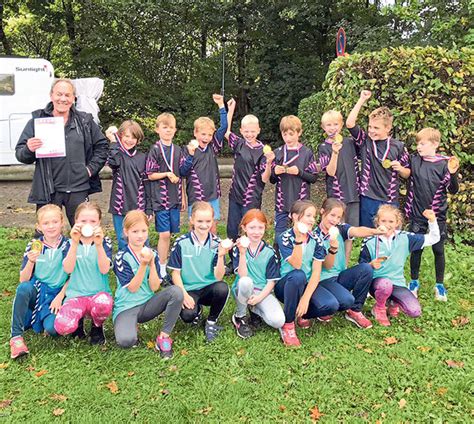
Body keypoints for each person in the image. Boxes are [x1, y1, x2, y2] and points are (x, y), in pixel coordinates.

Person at [15, 79, 108, 226]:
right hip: (49, 190)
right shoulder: (37, 121)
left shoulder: (85, 121)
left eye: (67, 95)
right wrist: (28, 149)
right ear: (51, 95)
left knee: (85, 232)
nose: (63, 99)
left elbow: (102, 147)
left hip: (79, 189)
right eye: (59, 94)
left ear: (73, 98)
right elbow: (20, 154)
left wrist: (90, 170)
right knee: (46, 233)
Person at [275, 200, 354, 347]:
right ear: (295, 216)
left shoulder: (316, 239)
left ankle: (302, 313)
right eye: (308, 216)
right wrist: (298, 240)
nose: (312, 220)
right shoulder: (284, 237)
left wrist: (305, 298)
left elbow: (317, 272)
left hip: (306, 284)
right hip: (286, 286)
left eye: (314, 216)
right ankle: (288, 324)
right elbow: (297, 264)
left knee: (331, 305)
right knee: (298, 275)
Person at [113, 210, 183, 359]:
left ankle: (164, 337)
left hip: (147, 304)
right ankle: (129, 325)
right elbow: (132, 288)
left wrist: (151, 263)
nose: (140, 235)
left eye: (143, 230)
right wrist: (143, 265)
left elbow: (154, 287)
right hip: (127, 306)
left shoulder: (153, 254)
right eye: (135, 231)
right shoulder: (121, 257)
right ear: (126, 232)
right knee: (126, 341)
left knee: (176, 292)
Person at [359, 205, 440, 326]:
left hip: (397, 283)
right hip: (377, 283)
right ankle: (379, 308)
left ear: (397, 222)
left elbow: (434, 238)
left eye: (391, 221)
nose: (387, 224)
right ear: (377, 222)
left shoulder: (405, 238)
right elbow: (361, 269)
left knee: (414, 311)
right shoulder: (370, 241)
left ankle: (392, 302)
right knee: (385, 285)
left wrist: (432, 221)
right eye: (383, 221)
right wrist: (370, 265)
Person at [314, 198, 387, 329]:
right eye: (332, 215)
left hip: (340, 276)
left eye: (338, 217)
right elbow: (325, 266)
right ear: (322, 212)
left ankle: (355, 310)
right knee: (344, 300)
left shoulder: (340, 229)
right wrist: (333, 248)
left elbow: (357, 231)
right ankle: (325, 306)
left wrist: (376, 231)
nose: (335, 220)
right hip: (323, 281)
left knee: (366, 268)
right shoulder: (314, 236)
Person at [405, 128, 460, 301]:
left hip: (438, 216)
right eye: (417, 143)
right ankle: (414, 282)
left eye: (422, 143)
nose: (418, 147)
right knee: (417, 249)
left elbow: (453, 190)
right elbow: (402, 170)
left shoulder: (445, 164)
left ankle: (439, 285)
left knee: (438, 249)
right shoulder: (415, 161)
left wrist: (452, 174)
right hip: (417, 214)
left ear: (435, 144)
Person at [9, 205, 69, 359]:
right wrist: (30, 261)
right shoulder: (35, 245)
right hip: (38, 291)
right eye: (46, 223)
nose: (51, 226)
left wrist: (61, 296)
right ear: (39, 227)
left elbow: (74, 276)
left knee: (54, 329)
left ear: (62, 222)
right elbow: (23, 280)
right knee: (24, 288)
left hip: (57, 294)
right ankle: (16, 338)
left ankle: (41, 321)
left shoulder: (69, 245)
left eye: (55, 222)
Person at [168, 201, 231, 342]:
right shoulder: (181, 243)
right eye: (200, 221)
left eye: (208, 221)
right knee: (188, 316)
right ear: (191, 220)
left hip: (209, 288)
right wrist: (183, 295)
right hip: (189, 289)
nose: (204, 225)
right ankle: (197, 310)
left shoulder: (216, 243)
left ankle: (211, 322)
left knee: (222, 288)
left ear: (213, 220)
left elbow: (218, 277)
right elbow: (175, 274)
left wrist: (221, 255)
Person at [346, 90, 410, 228]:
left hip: (389, 198)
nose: (371, 130)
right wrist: (361, 99)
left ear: (388, 128)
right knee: (368, 234)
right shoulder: (365, 141)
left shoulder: (398, 146)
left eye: (376, 127)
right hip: (367, 196)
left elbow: (408, 173)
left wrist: (400, 168)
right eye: (370, 127)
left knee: (388, 235)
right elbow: (350, 123)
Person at [54, 201, 114, 344]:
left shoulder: (105, 242)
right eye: (83, 221)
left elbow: (104, 269)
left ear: (99, 222)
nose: (88, 224)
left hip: (98, 295)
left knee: (104, 303)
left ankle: (97, 327)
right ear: (76, 222)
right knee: (62, 326)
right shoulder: (68, 244)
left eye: (93, 221)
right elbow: (68, 269)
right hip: (76, 295)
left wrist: (99, 245)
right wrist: (74, 243)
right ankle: (78, 323)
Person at [224, 99, 273, 248]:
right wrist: (230, 110)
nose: (249, 134)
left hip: (251, 198)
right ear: (241, 131)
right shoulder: (239, 143)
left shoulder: (263, 150)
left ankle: (250, 260)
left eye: (252, 131)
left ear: (258, 130)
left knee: (250, 230)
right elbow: (226, 132)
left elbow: (265, 179)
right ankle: (233, 261)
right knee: (232, 230)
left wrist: (270, 162)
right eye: (246, 131)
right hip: (234, 196)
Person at [230, 209, 284, 339]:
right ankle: (240, 316)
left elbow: (271, 281)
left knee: (278, 321)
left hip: (263, 291)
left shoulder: (270, 251)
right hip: (243, 288)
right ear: (244, 228)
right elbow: (242, 275)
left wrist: (259, 298)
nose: (256, 232)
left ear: (265, 228)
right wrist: (242, 253)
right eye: (252, 227)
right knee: (246, 281)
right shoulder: (238, 248)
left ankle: (254, 310)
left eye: (260, 227)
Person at [146, 113, 186, 282]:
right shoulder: (155, 150)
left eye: (171, 127)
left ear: (175, 130)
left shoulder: (178, 150)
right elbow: (150, 174)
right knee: (164, 234)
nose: (168, 130)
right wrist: (166, 173)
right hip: (160, 198)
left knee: (172, 234)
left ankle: (167, 262)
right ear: (157, 129)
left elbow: (182, 174)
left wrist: (183, 196)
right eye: (164, 127)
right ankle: (161, 268)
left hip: (175, 197)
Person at [179, 94, 227, 234]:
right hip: (195, 196)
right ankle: (193, 252)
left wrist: (221, 105)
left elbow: (224, 127)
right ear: (195, 132)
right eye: (203, 134)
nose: (206, 138)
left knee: (212, 226)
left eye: (209, 135)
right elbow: (182, 172)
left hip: (212, 194)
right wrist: (190, 155)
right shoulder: (187, 150)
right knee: (194, 227)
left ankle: (213, 254)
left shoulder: (213, 147)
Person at [318, 110, 360, 263]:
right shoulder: (323, 147)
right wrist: (334, 152)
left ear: (341, 125)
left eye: (335, 124)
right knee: (334, 232)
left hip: (353, 194)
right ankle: (332, 262)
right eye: (328, 125)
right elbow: (330, 171)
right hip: (336, 198)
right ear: (323, 127)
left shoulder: (350, 143)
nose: (332, 128)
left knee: (349, 234)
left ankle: (345, 264)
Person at [270, 115, 319, 242]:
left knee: (302, 236)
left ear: (299, 132)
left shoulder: (307, 153)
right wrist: (275, 172)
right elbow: (272, 180)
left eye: (291, 134)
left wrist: (299, 172)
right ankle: (279, 261)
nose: (288, 138)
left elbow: (313, 178)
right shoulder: (278, 152)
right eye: (284, 134)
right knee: (279, 237)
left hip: (301, 205)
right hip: (282, 204)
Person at [105, 120, 148, 251]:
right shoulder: (116, 154)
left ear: (138, 139)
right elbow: (114, 162)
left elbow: (147, 183)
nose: (130, 140)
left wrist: (150, 208)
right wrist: (113, 141)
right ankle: (124, 268)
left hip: (139, 206)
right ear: (120, 136)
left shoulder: (143, 157)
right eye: (126, 136)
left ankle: (145, 268)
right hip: (119, 205)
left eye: (134, 137)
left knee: (142, 240)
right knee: (123, 239)